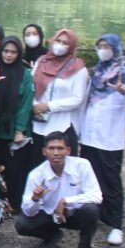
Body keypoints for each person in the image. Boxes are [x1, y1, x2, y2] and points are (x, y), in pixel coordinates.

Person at [80, 33, 125, 246]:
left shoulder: (124, 73)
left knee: (111, 180)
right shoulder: (96, 72)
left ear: (115, 49)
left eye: (107, 46)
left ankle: (116, 225)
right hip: (89, 136)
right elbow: (86, 103)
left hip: (110, 138)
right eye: (100, 46)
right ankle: (93, 214)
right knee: (90, 176)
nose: (103, 50)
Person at [16, 131, 102, 248]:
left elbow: (96, 195)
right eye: (51, 148)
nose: (56, 153)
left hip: (74, 214)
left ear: (68, 150)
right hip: (50, 216)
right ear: (44, 151)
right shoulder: (36, 174)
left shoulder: (82, 165)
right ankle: (52, 235)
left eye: (60, 148)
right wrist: (35, 199)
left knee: (91, 210)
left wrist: (66, 201)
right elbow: (28, 212)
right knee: (22, 224)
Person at [0, 37, 34, 212]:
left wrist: (20, 129)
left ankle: (14, 203)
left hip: (14, 130)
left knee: (15, 170)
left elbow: (26, 103)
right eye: (6, 51)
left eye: (13, 52)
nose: (9, 55)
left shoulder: (25, 74)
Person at [30, 28, 88, 160]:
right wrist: (34, 105)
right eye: (58, 41)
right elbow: (30, 87)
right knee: (35, 165)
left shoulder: (78, 69)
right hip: (38, 123)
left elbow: (77, 99)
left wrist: (48, 106)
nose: (60, 45)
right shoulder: (41, 62)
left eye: (65, 43)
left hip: (62, 125)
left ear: (72, 46)